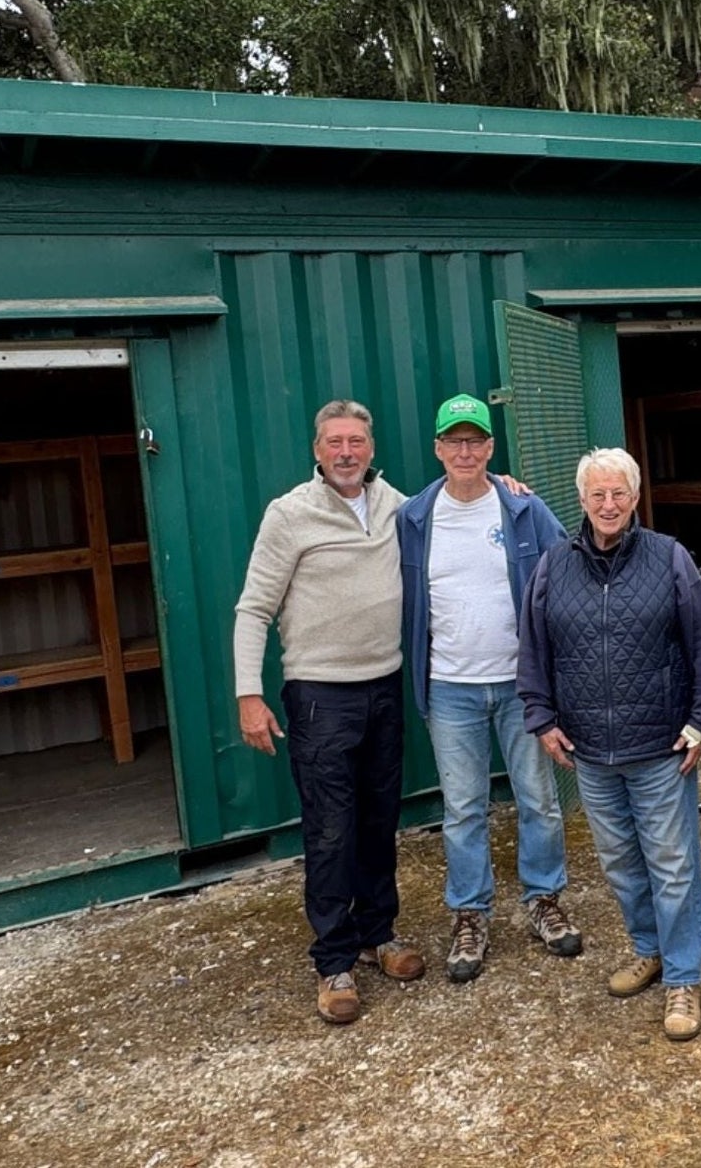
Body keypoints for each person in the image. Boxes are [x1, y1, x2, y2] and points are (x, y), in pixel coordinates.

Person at [516, 448, 701, 1042]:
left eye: (619, 494)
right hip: (590, 749)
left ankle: (683, 977)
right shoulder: (554, 567)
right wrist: (541, 716)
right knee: (620, 863)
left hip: (661, 747)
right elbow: (533, 649)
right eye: (597, 495)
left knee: (672, 864)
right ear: (581, 500)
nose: (608, 505)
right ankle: (649, 949)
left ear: (635, 498)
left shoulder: (670, 559)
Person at [234, 398, 427, 1025]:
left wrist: (505, 487)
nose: (347, 452)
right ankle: (334, 959)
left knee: (378, 819)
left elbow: (454, 507)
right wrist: (249, 694)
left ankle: (379, 935)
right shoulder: (289, 515)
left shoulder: (397, 506)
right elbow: (253, 609)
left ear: (372, 449)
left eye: (357, 441)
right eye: (334, 442)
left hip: (384, 686)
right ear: (317, 451)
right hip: (319, 697)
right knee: (330, 828)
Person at [399, 393, 577, 985]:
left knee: (539, 800)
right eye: (455, 441)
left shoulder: (523, 509)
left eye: (476, 440)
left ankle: (543, 900)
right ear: (438, 449)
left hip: (520, 684)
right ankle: (470, 914)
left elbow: (568, 571)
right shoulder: (415, 518)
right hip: (449, 685)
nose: (466, 451)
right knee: (464, 808)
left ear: (491, 448)